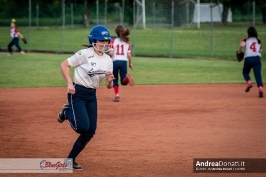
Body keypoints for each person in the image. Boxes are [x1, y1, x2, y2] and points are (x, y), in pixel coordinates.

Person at [57, 25, 115, 170]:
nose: (104, 43)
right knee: (82, 127)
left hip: (92, 95)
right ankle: (66, 112)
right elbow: (64, 65)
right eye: (101, 40)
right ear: (93, 40)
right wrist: (69, 83)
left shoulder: (108, 60)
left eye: (106, 41)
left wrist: (109, 81)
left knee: (90, 132)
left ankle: (69, 161)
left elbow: (109, 86)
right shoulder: (84, 54)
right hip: (77, 93)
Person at [109, 25, 134, 102]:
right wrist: (130, 64)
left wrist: (107, 59)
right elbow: (129, 55)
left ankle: (117, 95)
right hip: (123, 62)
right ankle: (126, 79)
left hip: (115, 62)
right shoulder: (126, 42)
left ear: (116, 32)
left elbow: (111, 53)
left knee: (115, 79)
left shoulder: (113, 41)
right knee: (123, 81)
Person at [237, 26, 263, 98]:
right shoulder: (258, 41)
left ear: (248, 33)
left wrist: (239, 52)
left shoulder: (246, 40)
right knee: (258, 75)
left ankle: (249, 82)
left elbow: (242, 45)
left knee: (245, 72)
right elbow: (260, 50)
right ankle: (260, 88)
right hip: (257, 59)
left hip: (248, 59)